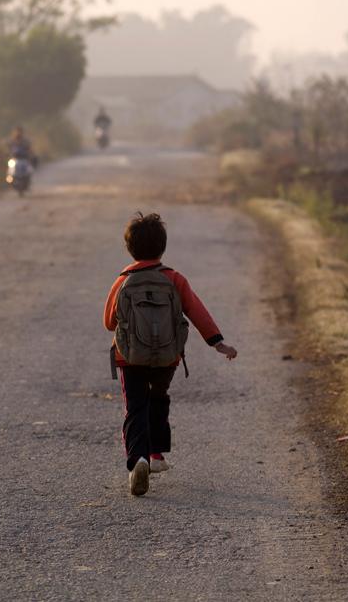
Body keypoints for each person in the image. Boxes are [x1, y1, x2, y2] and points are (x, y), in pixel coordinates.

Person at [103, 212, 238, 496]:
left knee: (135, 407)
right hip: (167, 357)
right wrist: (218, 342)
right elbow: (197, 311)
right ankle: (156, 455)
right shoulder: (175, 279)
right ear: (162, 247)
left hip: (130, 357)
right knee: (158, 398)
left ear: (130, 248)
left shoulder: (123, 280)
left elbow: (109, 322)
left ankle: (137, 459)